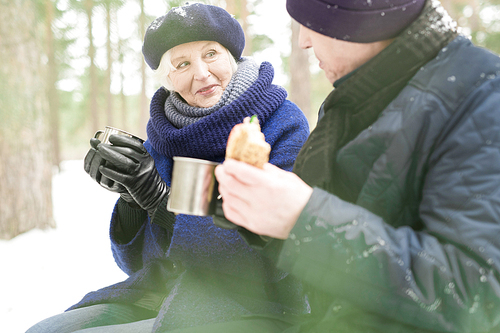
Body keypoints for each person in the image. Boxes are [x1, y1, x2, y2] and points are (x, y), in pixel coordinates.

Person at [215, 0, 500, 332]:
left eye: (315, 24)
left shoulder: (482, 97)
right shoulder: (358, 92)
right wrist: (251, 206)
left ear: (361, 19)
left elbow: (477, 295)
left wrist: (305, 219)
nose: (303, 40)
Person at [26, 3, 310, 333]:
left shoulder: (281, 124)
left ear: (232, 56)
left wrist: (163, 203)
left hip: (253, 301)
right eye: (183, 63)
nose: (201, 73)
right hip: (163, 293)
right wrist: (133, 202)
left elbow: (270, 254)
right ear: (168, 79)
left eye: (211, 54)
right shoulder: (164, 137)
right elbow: (136, 265)